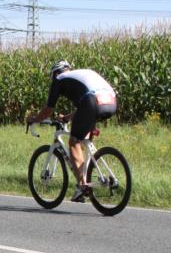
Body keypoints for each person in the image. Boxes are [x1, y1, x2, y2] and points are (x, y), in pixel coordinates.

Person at [26, 61, 118, 202]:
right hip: (110, 101)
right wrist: (68, 117)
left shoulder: (59, 79)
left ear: (56, 73)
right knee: (84, 141)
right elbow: (83, 106)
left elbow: (48, 109)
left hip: (92, 101)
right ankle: (84, 180)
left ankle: (82, 186)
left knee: (73, 142)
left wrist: (35, 119)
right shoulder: (78, 76)